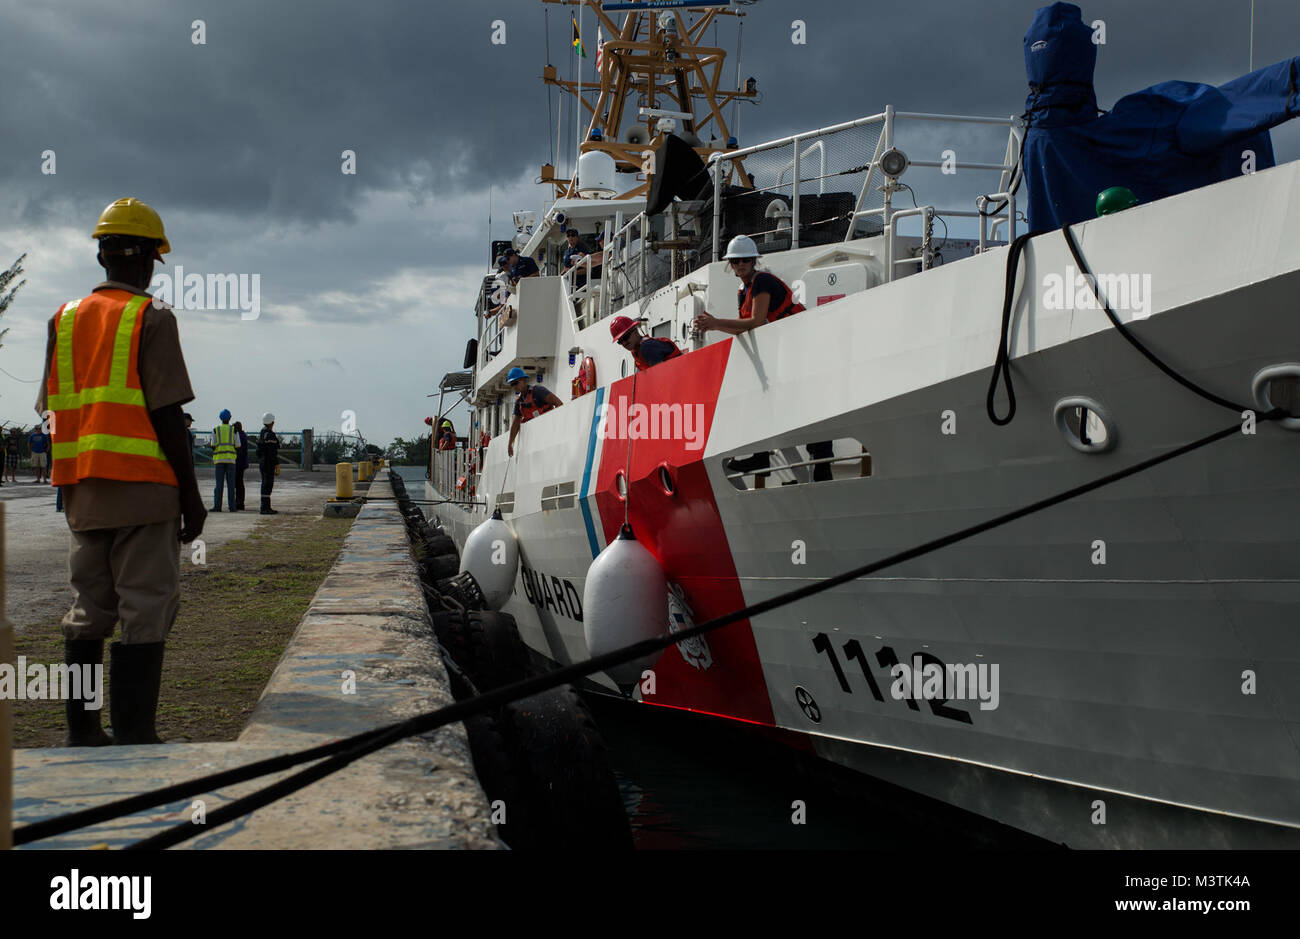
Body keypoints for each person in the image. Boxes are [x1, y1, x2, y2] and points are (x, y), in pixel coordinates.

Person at [37, 196, 205, 746]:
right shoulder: (151, 318)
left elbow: (51, 408)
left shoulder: (61, 320)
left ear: (104, 257)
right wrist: (191, 495)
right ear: (146, 260)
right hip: (144, 488)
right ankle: (135, 732)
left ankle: (82, 732)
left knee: (89, 608)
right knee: (146, 606)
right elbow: (165, 414)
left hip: (81, 491)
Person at [696, 236, 832, 482]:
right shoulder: (743, 290)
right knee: (774, 402)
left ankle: (820, 462)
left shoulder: (762, 281)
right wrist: (715, 326)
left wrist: (715, 323)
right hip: (786, 349)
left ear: (754, 260)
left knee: (809, 403)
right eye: (736, 261)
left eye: (745, 260)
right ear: (731, 264)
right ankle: (765, 456)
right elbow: (745, 327)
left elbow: (756, 321)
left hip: (800, 346)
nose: (741, 264)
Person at [506, 366, 562, 457]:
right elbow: (516, 423)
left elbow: (559, 404)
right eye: (512, 384)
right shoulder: (519, 402)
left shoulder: (538, 391)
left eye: (515, 383)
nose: (514, 387)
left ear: (524, 380)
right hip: (536, 439)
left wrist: (556, 428)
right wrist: (510, 444)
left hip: (549, 432)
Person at [609, 315, 683, 371]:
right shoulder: (636, 351)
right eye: (620, 341)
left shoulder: (647, 347)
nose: (624, 343)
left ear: (635, 332)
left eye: (625, 337)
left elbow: (660, 376)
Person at [211, 409, 237, 510]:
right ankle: (232, 507)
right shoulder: (234, 430)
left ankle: (217, 506)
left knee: (219, 485)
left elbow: (213, 445)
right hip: (230, 460)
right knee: (231, 485)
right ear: (230, 418)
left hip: (219, 460)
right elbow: (238, 445)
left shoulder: (215, 430)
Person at [258, 411, 280, 514]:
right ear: (271, 422)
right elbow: (273, 452)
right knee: (268, 485)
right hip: (268, 463)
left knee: (264, 484)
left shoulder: (262, 433)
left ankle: (265, 506)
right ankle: (265, 508)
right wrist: (276, 463)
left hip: (262, 462)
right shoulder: (270, 435)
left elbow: (258, 451)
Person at [233, 420, 249, 511]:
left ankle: (238, 503)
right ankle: (240, 502)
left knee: (237, 484)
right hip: (242, 463)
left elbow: (238, 449)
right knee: (240, 484)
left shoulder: (239, 436)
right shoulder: (243, 435)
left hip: (238, 463)